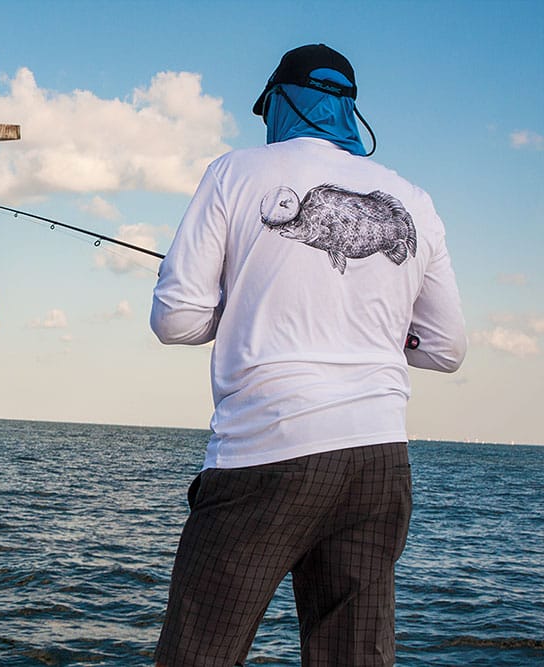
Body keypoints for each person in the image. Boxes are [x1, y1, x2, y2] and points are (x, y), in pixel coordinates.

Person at [150, 44, 466, 666]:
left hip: (269, 451)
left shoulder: (233, 172)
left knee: (198, 655)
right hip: (379, 460)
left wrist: (232, 308)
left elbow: (175, 319)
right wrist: (381, 333)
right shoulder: (415, 199)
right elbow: (447, 347)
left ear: (281, 103)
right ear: (348, 112)